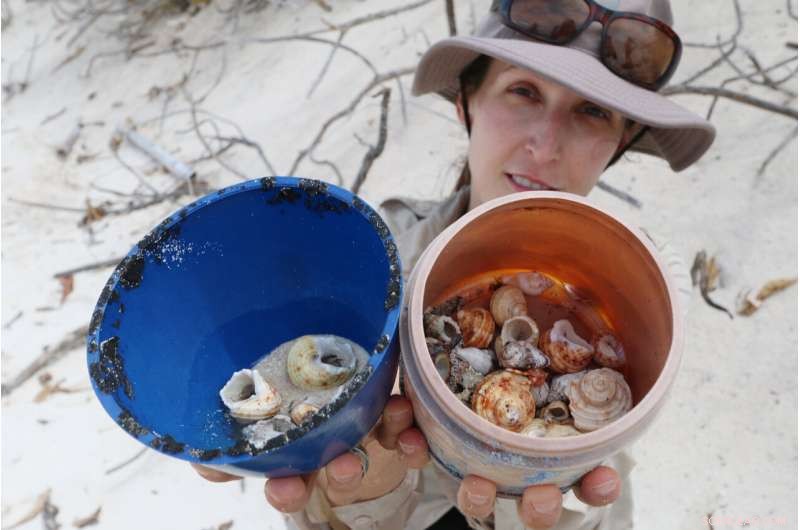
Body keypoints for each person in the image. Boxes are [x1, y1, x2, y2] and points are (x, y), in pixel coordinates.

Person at [193, 0, 715, 528]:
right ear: (468, 100)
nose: (546, 145)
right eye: (524, 91)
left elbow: (600, 494)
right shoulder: (378, 261)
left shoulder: (648, 286)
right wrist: (351, 480)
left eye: (592, 111)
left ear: (619, 142)